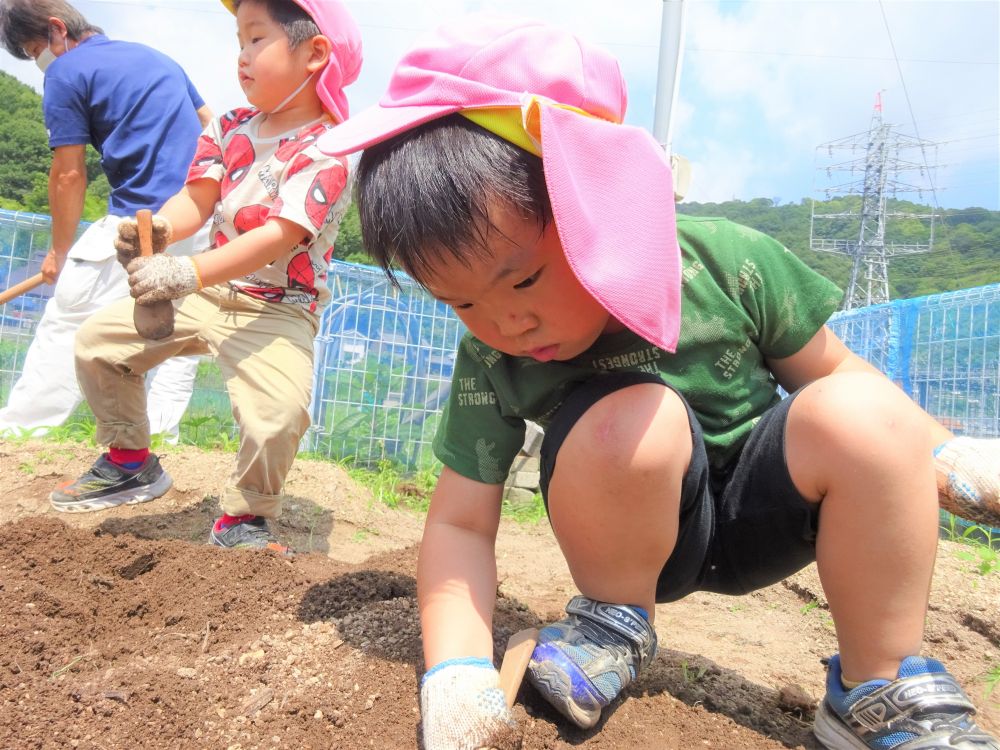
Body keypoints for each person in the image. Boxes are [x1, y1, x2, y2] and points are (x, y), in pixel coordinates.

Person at [316, 16, 1000, 750]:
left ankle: (879, 686)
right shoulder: (492, 359)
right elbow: (459, 521)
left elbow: (836, 374)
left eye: (523, 278)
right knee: (632, 417)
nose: (506, 323)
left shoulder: (726, 264)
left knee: (864, 411)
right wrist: (454, 670)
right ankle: (610, 627)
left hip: (772, 510)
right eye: (462, 303)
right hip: (634, 548)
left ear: (597, 207)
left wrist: (945, 453)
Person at [47, 0, 361, 553]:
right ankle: (130, 461)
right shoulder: (231, 126)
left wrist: (183, 271)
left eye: (256, 40)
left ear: (314, 53)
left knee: (277, 418)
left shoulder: (332, 145)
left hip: (278, 305)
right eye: (239, 41)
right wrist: (159, 232)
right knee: (98, 344)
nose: (241, 56)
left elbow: (278, 235)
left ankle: (243, 518)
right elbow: (197, 198)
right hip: (209, 289)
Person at [0, 0, 211, 442]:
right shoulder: (158, 58)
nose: (38, 61)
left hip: (138, 222)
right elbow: (213, 129)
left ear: (58, 29)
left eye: (34, 48)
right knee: (174, 336)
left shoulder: (65, 71)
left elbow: (69, 173)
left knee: (69, 319)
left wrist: (59, 252)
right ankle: (159, 441)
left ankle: (20, 434)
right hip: (200, 218)